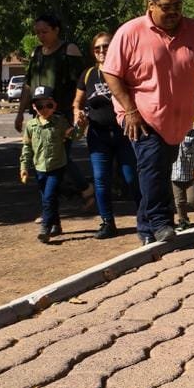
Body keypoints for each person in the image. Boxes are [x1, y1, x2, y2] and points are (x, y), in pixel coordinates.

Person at [102, 0, 194, 246]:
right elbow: (111, 72)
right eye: (166, 7)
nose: (173, 12)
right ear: (150, 5)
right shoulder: (130, 32)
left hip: (178, 122)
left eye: (177, 6)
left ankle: (144, 227)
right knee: (152, 167)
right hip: (141, 117)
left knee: (159, 169)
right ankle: (161, 223)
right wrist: (130, 110)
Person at [14, 13, 95, 211]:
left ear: (56, 30)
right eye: (37, 33)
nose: (41, 36)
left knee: (58, 159)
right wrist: (19, 113)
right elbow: (28, 86)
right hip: (39, 115)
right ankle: (71, 199)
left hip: (62, 115)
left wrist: (79, 110)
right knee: (41, 160)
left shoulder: (69, 50)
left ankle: (76, 195)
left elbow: (82, 82)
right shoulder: (36, 53)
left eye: (45, 31)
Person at [73, 32, 142, 239]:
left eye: (106, 46)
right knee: (101, 180)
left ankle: (145, 218)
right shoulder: (88, 75)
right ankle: (107, 222)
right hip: (98, 136)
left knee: (132, 179)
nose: (102, 51)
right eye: (97, 48)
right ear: (93, 52)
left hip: (125, 133)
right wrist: (78, 114)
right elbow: (77, 102)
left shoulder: (124, 71)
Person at [20, 86, 83, 242]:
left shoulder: (60, 122)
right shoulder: (31, 126)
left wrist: (82, 125)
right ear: (34, 107)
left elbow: (74, 136)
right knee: (48, 198)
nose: (44, 109)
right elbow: (27, 148)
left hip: (57, 167)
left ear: (54, 105)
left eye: (48, 105)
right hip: (39, 167)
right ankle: (56, 224)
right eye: (40, 106)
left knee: (49, 197)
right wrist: (24, 167)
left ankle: (45, 228)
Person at [171, 128, 194, 230]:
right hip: (174, 175)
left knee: (192, 200)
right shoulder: (169, 133)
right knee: (179, 201)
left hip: (191, 175)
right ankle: (183, 221)